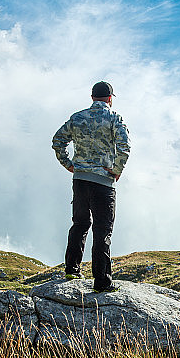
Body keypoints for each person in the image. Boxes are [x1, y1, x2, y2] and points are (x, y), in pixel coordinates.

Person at [52, 81, 130, 292]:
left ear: (92, 97)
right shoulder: (114, 118)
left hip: (80, 180)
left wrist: (68, 164)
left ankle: (72, 269)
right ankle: (102, 282)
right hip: (103, 182)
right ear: (110, 98)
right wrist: (117, 169)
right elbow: (125, 146)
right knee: (102, 230)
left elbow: (57, 140)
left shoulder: (77, 118)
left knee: (80, 223)